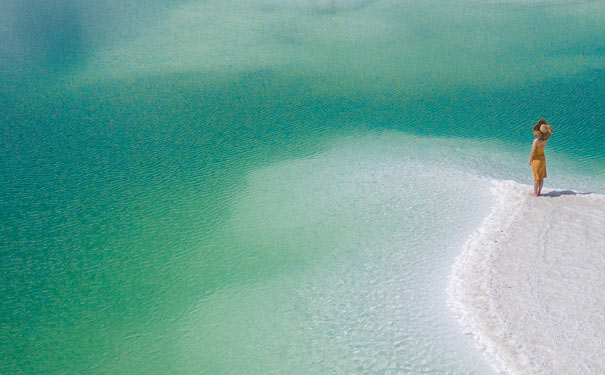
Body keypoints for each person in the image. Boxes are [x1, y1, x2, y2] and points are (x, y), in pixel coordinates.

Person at [528, 119, 553, 196]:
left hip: (536, 160)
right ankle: (539, 192)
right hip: (543, 159)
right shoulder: (546, 139)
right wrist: (548, 128)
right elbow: (551, 131)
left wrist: (530, 159)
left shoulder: (536, 141)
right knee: (541, 177)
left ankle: (535, 193)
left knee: (536, 177)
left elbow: (533, 151)